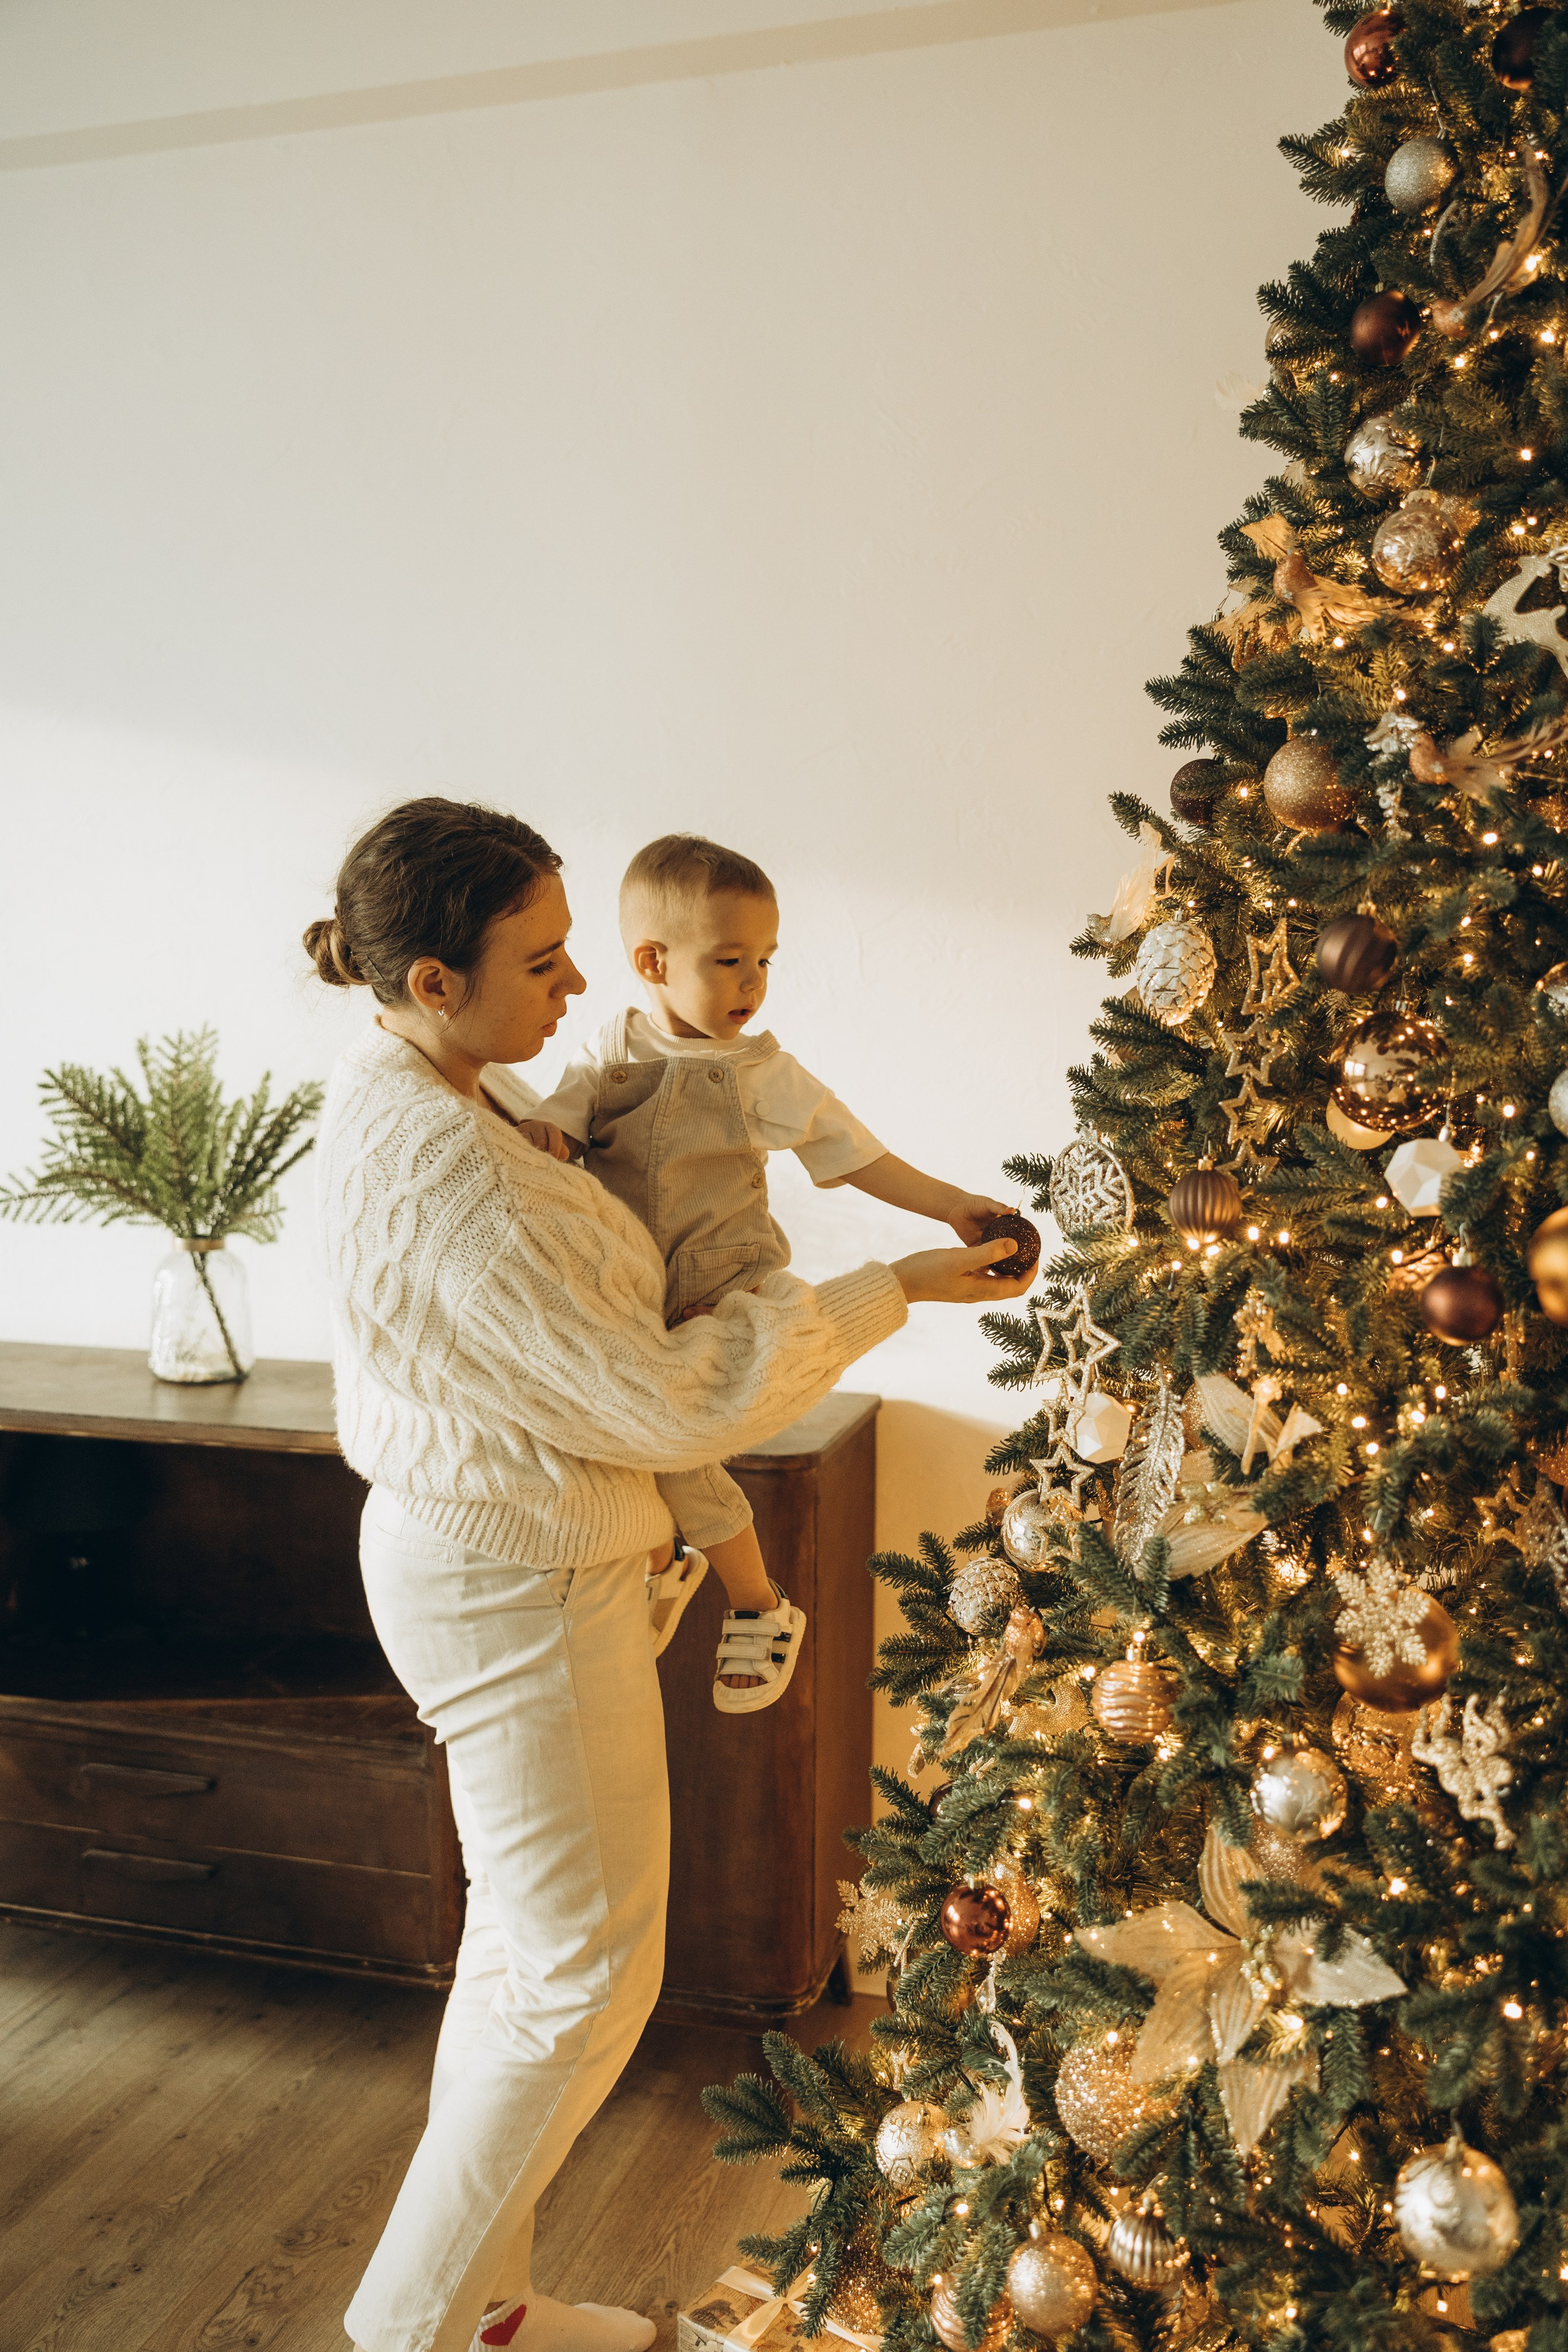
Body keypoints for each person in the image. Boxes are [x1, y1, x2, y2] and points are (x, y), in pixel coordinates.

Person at [303, 796, 1031, 2352]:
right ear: (433, 978)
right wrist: (889, 1281)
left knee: (530, 1954)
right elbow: (665, 1401)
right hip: (517, 1582)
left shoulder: (437, 1087)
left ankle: (480, 2306)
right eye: (545, 957)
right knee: (575, 1980)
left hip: (490, 1551)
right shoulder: (459, 1173)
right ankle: (416, 2329)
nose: (578, 987)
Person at [527, 832, 1014, 1716]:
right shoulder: (614, 1046)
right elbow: (564, 1111)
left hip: (726, 1285)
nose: (753, 983)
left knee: (680, 1450)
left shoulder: (761, 1073)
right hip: (631, 1289)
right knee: (622, 1441)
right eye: (729, 961)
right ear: (652, 961)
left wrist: (948, 1205)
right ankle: (665, 1566)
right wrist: (552, 1138)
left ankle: (755, 1601)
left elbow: (854, 1151)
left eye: (765, 961)